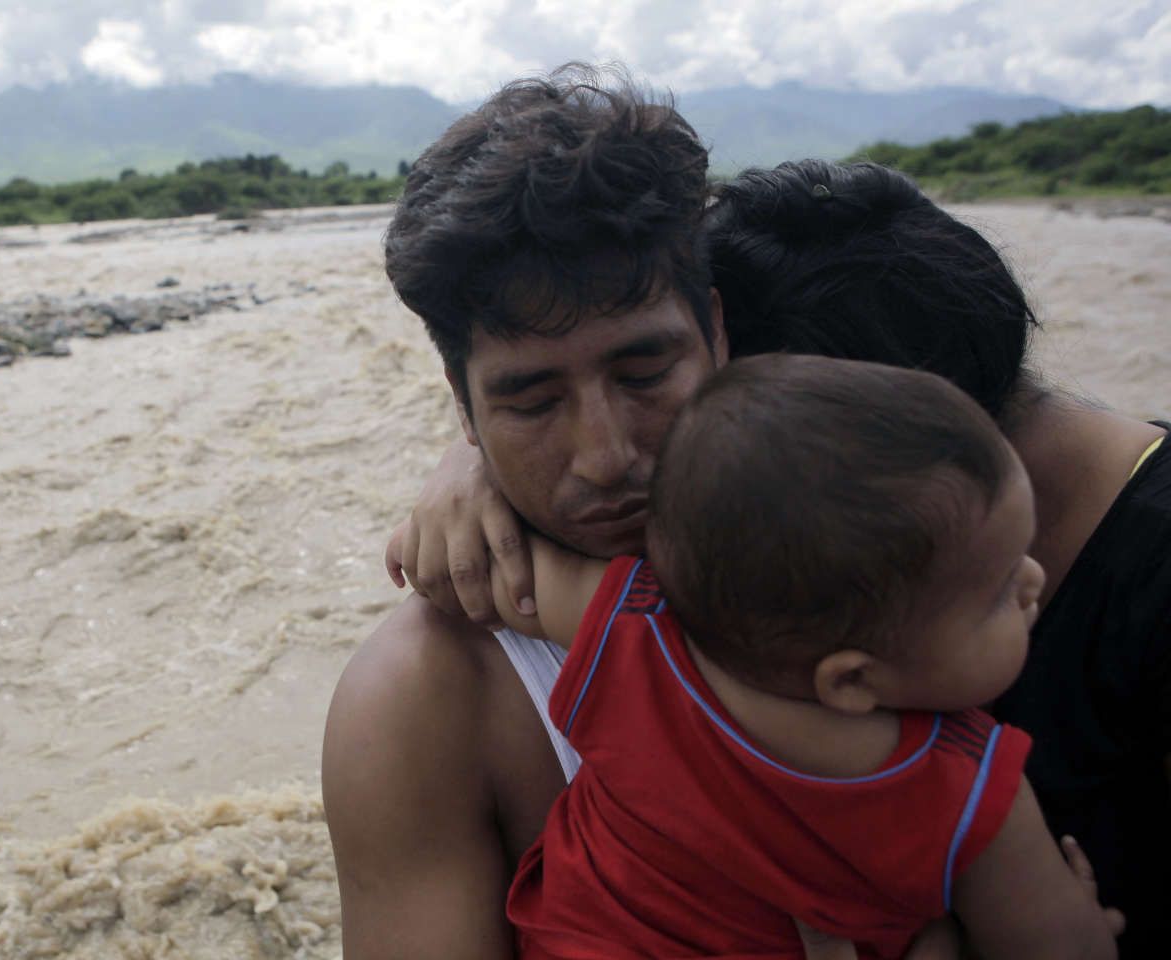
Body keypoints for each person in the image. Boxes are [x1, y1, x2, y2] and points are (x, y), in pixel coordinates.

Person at [376, 151, 1170, 955]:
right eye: (534, 400)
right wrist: (478, 458)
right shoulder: (965, 785)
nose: (606, 455)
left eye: (650, 373)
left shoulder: (647, 638)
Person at [484, 353, 1116, 959]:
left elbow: (509, 579)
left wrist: (465, 487)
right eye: (999, 591)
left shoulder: (636, 630)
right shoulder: (967, 792)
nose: (1034, 579)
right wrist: (1083, 917)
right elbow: (1060, 947)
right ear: (851, 680)